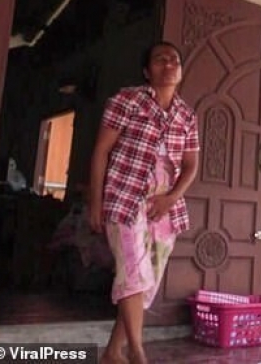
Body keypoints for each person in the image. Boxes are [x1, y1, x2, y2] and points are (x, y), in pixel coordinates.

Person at [89, 41, 200, 364]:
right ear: (146, 71)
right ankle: (138, 353)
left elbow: (190, 165)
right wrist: (96, 202)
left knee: (146, 281)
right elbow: (101, 151)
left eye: (174, 59)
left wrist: (171, 198)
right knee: (133, 272)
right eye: (160, 59)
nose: (169, 64)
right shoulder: (127, 100)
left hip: (165, 207)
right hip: (125, 198)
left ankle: (113, 351)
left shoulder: (186, 115)